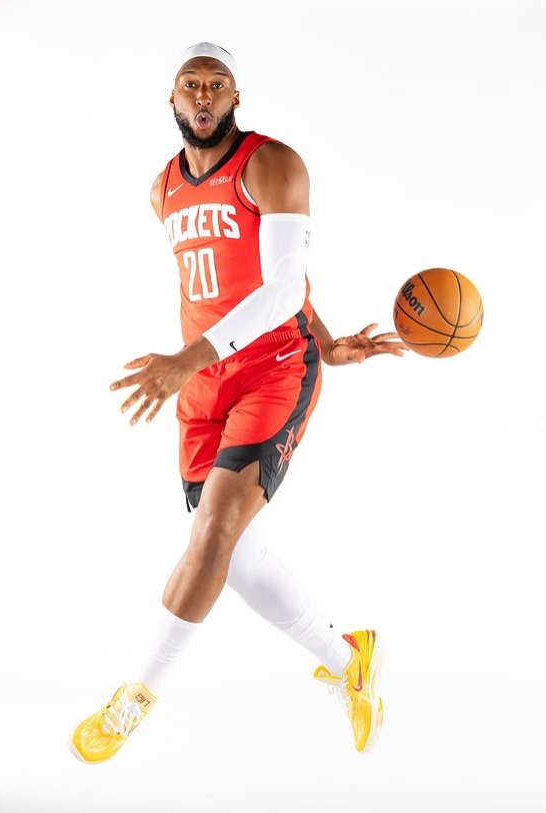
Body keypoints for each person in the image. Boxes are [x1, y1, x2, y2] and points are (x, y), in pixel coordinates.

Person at [70, 42, 408, 764]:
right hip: (202, 384)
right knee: (236, 557)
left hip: (273, 371)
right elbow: (244, 284)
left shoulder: (271, 164)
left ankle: (134, 697)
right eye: (190, 83)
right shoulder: (162, 190)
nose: (203, 94)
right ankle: (349, 661)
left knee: (214, 533)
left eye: (217, 84)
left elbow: (284, 287)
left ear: (235, 98)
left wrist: (313, 346)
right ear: (171, 99)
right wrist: (197, 365)